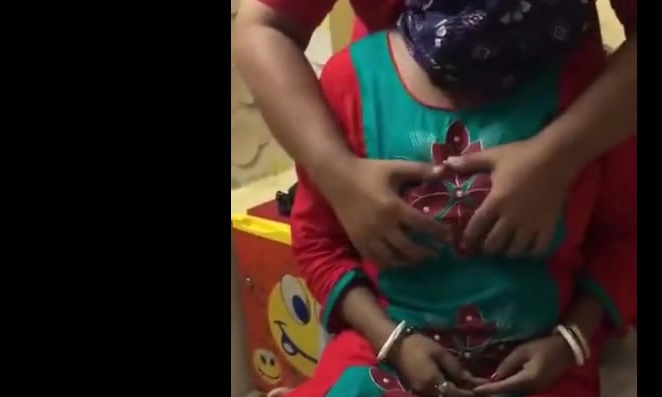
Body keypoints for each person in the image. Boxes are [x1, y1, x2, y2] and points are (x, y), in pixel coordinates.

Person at [229, 4, 636, 397]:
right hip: (387, 354)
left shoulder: (594, 94)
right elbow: (320, 242)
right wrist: (393, 341)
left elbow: (623, 240)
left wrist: (569, 343)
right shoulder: (354, 82)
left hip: (528, 373)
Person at [232, 0, 636, 268]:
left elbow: (617, 250)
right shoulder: (357, 83)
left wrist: (559, 155)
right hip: (384, 152)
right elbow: (264, 25)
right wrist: (336, 171)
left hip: (581, 157)